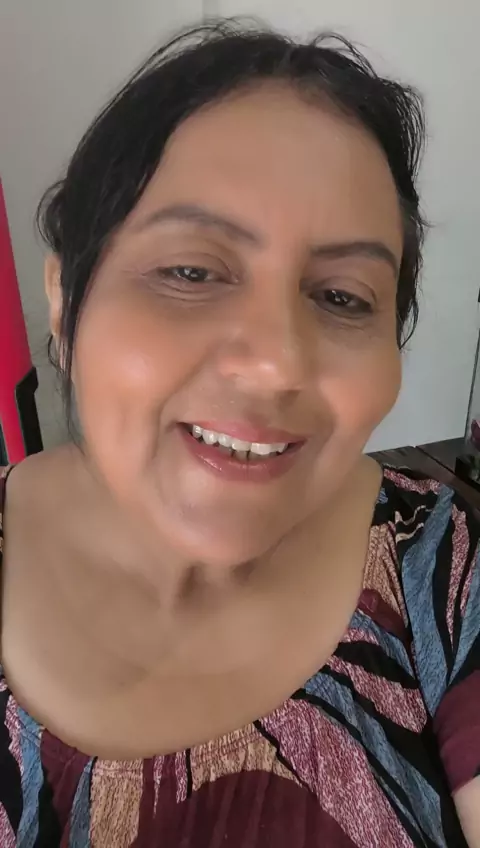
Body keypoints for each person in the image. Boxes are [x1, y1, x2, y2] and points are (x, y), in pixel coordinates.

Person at [0, 19, 478, 848]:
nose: (276, 363)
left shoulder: (440, 566)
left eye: (342, 297)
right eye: (191, 271)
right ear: (66, 306)